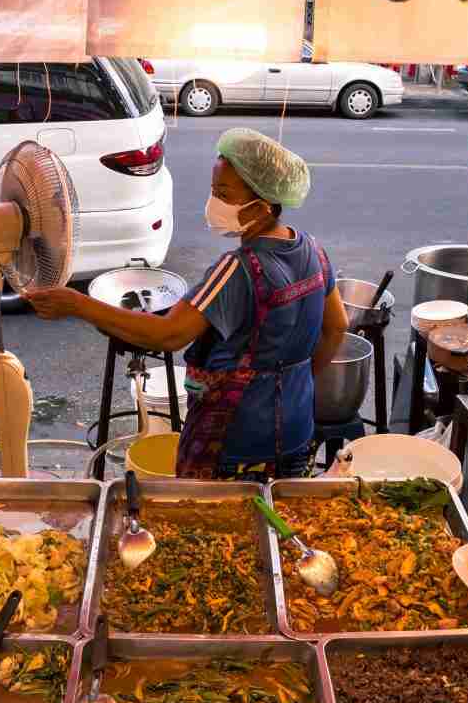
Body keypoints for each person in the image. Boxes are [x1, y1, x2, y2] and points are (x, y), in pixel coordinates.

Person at [25, 128, 345, 480]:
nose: (214, 201)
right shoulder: (313, 250)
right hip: (297, 430)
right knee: (279, 511)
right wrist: (294, 381)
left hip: (234, 442)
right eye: (213, 190)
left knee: (208, 515)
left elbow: (168, 334)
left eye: (224, 194)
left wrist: (77, 304)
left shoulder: (238, 269)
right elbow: (337, 327)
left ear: (261, 204)